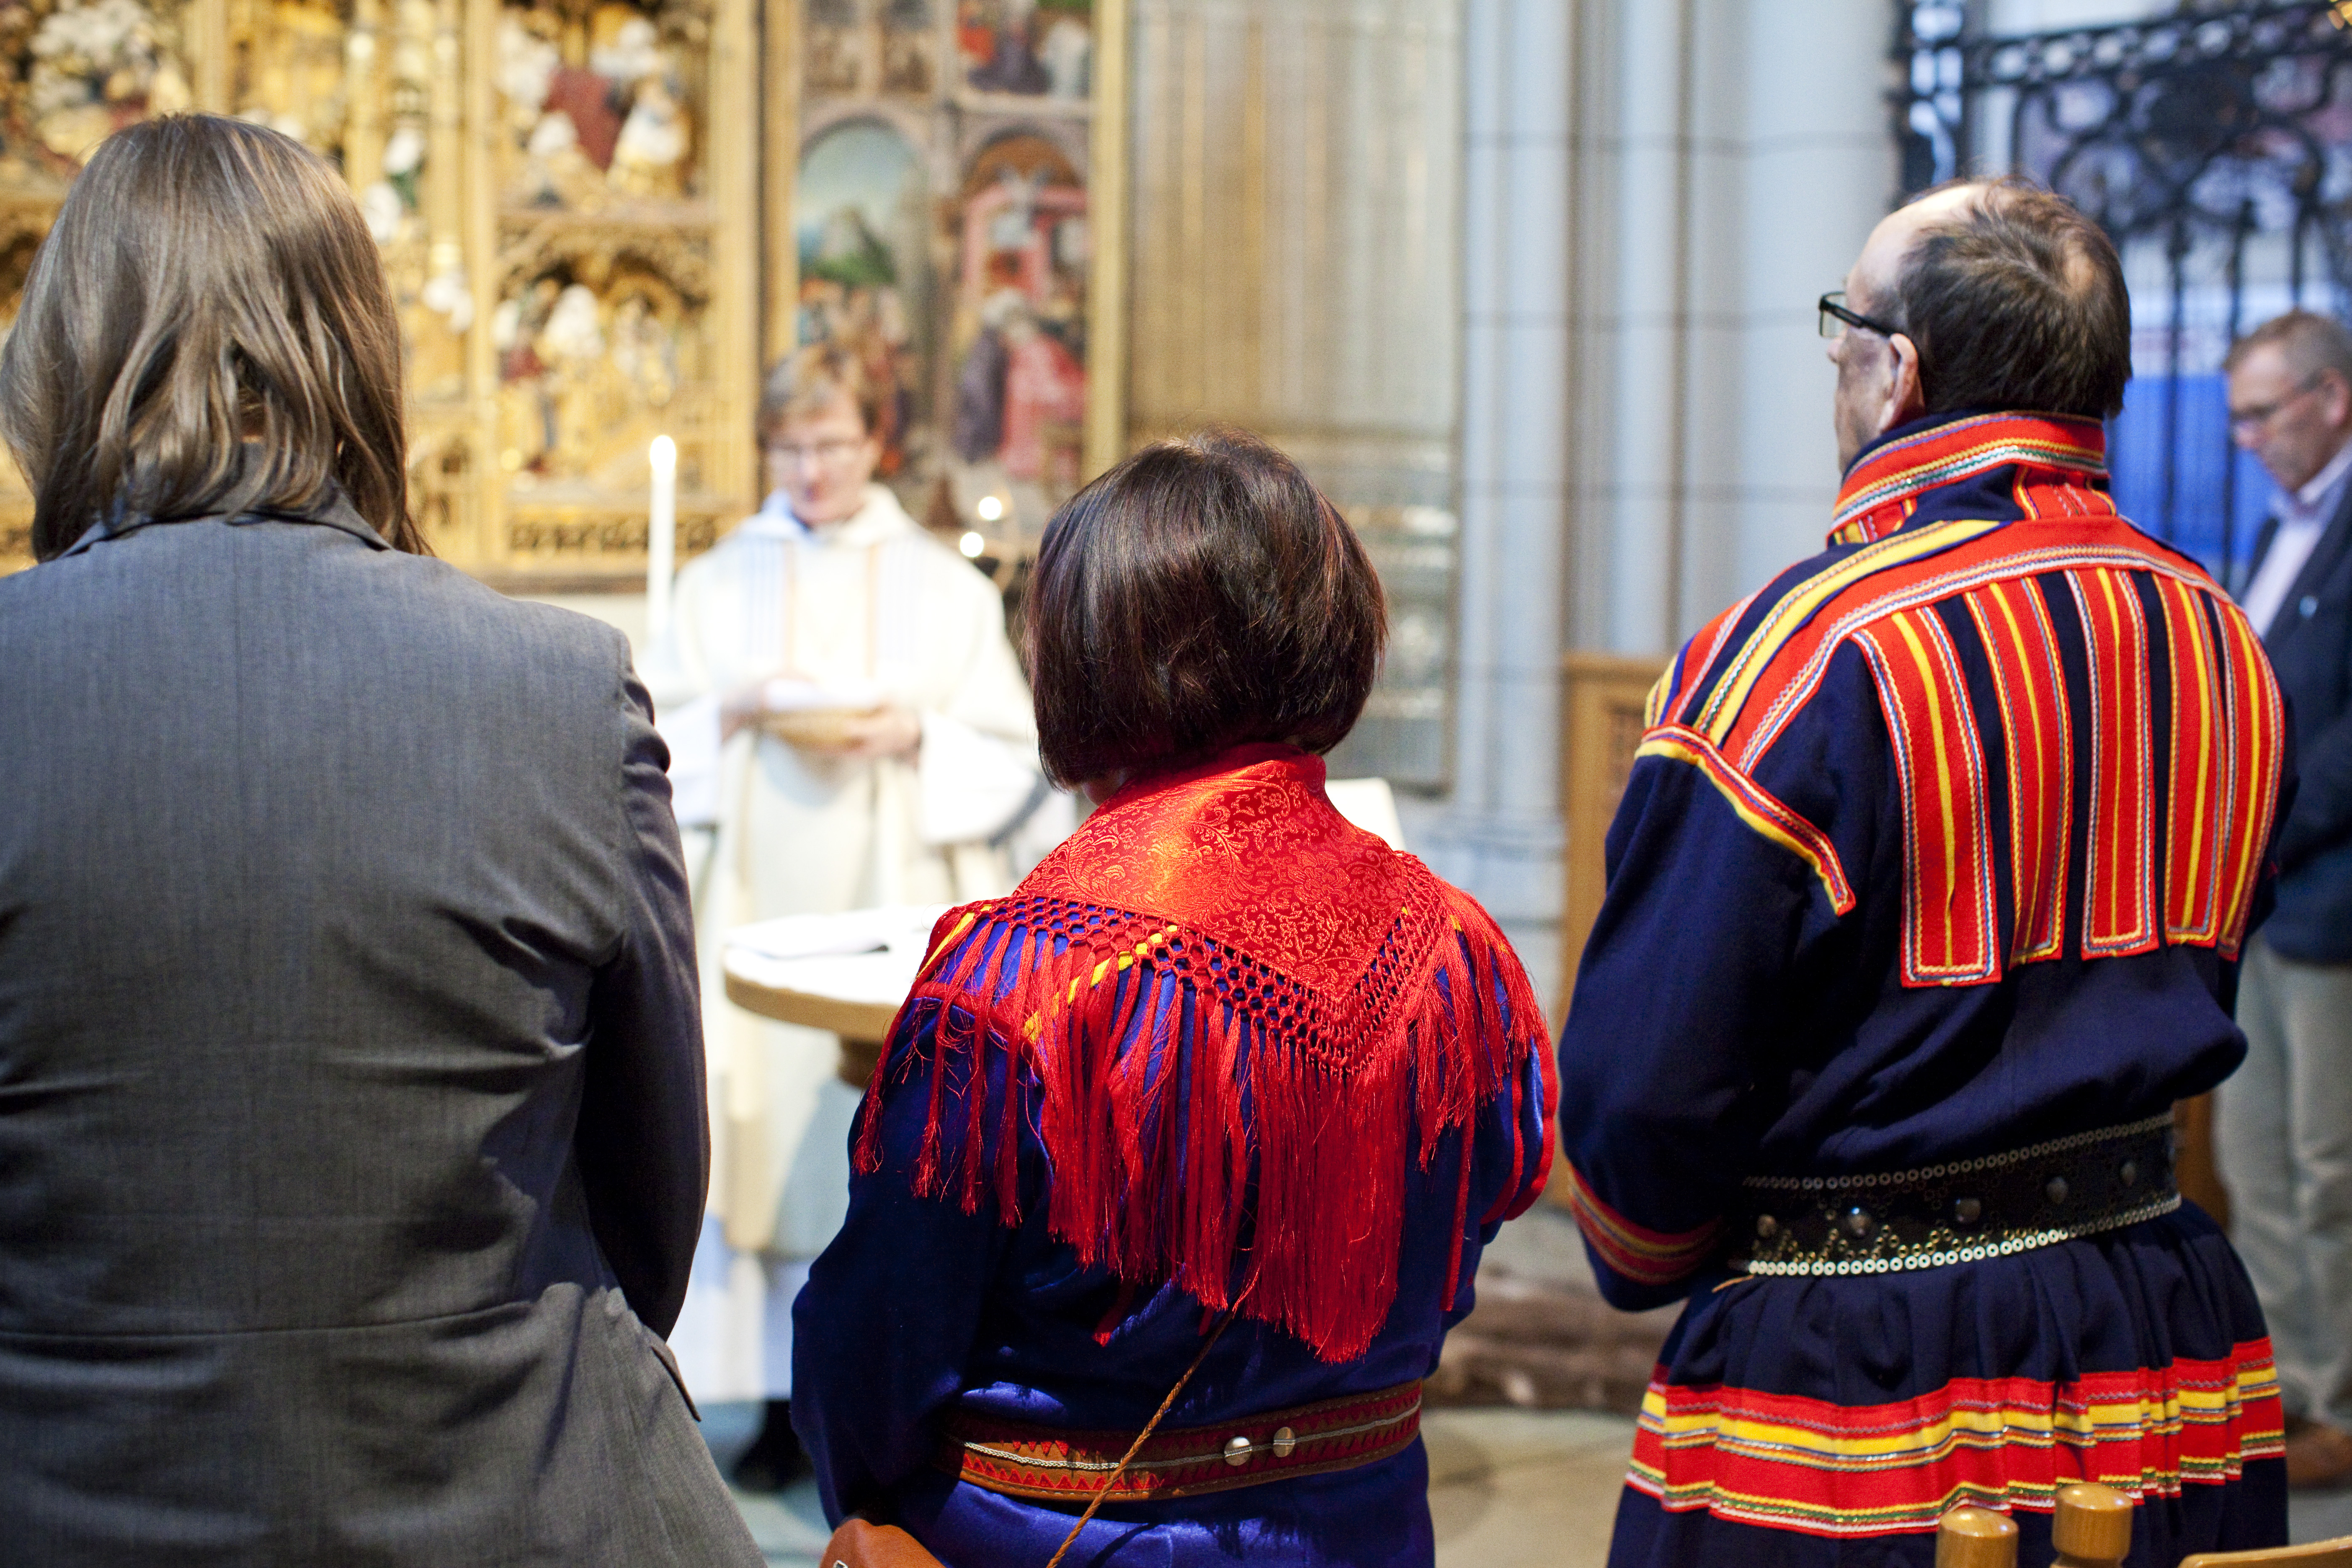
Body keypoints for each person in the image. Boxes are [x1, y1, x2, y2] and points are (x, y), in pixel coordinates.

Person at [0, 116, 758, 1565]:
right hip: (517, 1501)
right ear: (359, 355)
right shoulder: (561, 691)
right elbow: (653, 1204)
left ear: (60, 359)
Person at [1558, 176, 2291, 1566]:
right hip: (2167, 1334)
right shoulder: (2221, 637)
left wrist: (1646, 1253)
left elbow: (1646, 1088)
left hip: (1860, 1374)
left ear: (1898, 372)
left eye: (1840, 330)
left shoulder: (1800, 654)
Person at [790, 429, 1555, 1565]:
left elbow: (877, 1346)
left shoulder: (1025, 980)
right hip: (1363, 1531)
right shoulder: (1461, 954)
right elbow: (1462, 1241)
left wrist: (869, 1493)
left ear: (1083, 654)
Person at [640, 342, 1047, 1489]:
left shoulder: (941, 587)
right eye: (789, 449)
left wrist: (918, 735)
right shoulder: (720, 581)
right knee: (762, 1124)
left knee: (888, 1136)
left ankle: (896, 1392)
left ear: (876, 442)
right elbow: (656, 736)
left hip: (892, 883)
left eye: (831, 445)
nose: (811, 470)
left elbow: (1011, 747)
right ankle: (778, 1401)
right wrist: (730, 714)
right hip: (758, 889)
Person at [2217, 309, 2352, 1490]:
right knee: (2253, 1157)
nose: (2247, 437)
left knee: (2330, 1167)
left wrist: (2264, 832)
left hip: (2329, 906)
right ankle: (2284, 1385)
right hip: (2259, 897)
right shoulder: (2280, 526)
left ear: (2333, 397)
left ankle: (2340, 1400)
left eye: (2263, 413)